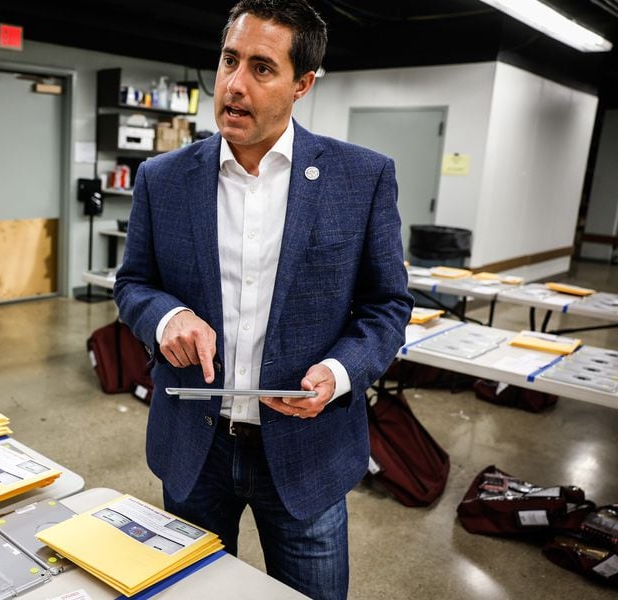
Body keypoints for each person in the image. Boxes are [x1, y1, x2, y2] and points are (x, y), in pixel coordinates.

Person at [113, 1, 412, 598]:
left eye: (261, 68)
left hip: (306, 454)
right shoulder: (162, 178)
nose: (235, 85)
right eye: (229, 61)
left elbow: (387, 307)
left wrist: (337, 372)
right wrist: (165, 317)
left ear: (303, 84)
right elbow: (133, 284)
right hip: (194, 445)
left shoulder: (362, 179)